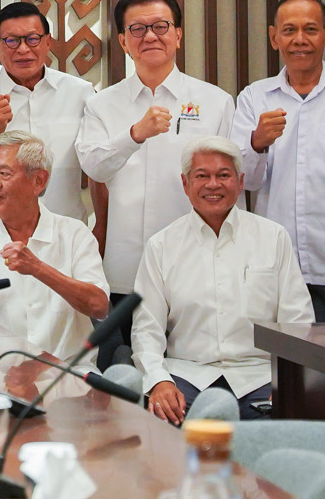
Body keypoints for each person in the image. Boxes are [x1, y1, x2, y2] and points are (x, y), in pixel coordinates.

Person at [76, 0, 235, 362]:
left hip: (196, 267)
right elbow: (93, 166)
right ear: (123, 41)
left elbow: (230, 191)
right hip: (124, 269)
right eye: (137, 28)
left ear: (178, 34)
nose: (150, 36)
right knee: (126, 371)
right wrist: (134, 134)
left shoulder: (215, 101)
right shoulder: (101, 104)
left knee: (191, 371)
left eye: (161, 26)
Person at [133, 136, 313, 423]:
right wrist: (158, 381)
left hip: (260, 377)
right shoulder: (161, 245)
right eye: (202, 176)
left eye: (223, 175)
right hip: (188, 376)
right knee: (163, 427)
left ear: (240, 182)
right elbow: (146, 329)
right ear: (185, 183)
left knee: (283, 432)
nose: (213, 185)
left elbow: (297, 321)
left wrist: (289, 383)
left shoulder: (273, 237)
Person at [232, 0, 325, 322]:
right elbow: (243, 181)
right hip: (276, 268)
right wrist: (257, 142)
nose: (300, 40)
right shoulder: (255, 97)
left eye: (311, 29)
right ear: (274, 37)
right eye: (289, 30)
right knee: (279, 355)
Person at [0, 131, 108, 363]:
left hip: (67, 375)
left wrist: (37, 268)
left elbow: (99, 307)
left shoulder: (75, 235)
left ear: (39, 181)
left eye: (4, 173)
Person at [0, 2, 99, 224]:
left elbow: (98, 166)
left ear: (48, 43)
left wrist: (101, 225)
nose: (23, 49)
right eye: (12, 41)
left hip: (66, 228)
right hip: (1, 232)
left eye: (32, 39)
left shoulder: (81, 93)